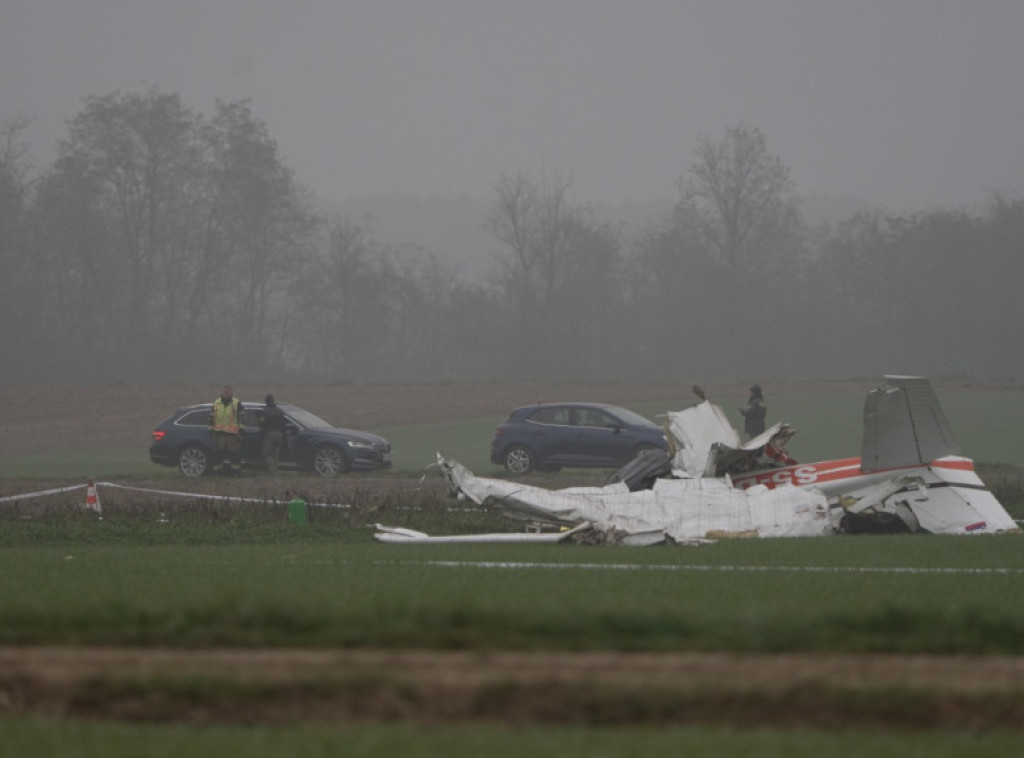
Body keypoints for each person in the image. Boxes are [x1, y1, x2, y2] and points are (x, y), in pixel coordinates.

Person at [209, 385, 244, 475]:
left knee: (234, 454)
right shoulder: (216, 403)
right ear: (222, 392)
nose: (227, 394)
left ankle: (235, 473)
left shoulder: (237, 403)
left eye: (228, 392)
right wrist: (210, 430)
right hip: (219, 434)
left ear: (232, 393)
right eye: (225, 392)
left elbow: (241, 418)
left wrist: (241, 431)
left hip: (232, 434)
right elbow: (211, 418)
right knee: (218, 454)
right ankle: (217, 473)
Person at [258, 393, 287, 475]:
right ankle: (276, 470)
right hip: (279, 434)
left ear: (266, 401)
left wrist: (261, 435)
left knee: (266, 453)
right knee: (275, 454)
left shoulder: (265, 412)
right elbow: (284, 424)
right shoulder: (280, 411)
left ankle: (273, 472)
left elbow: (262, 424)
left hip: (270, 434)